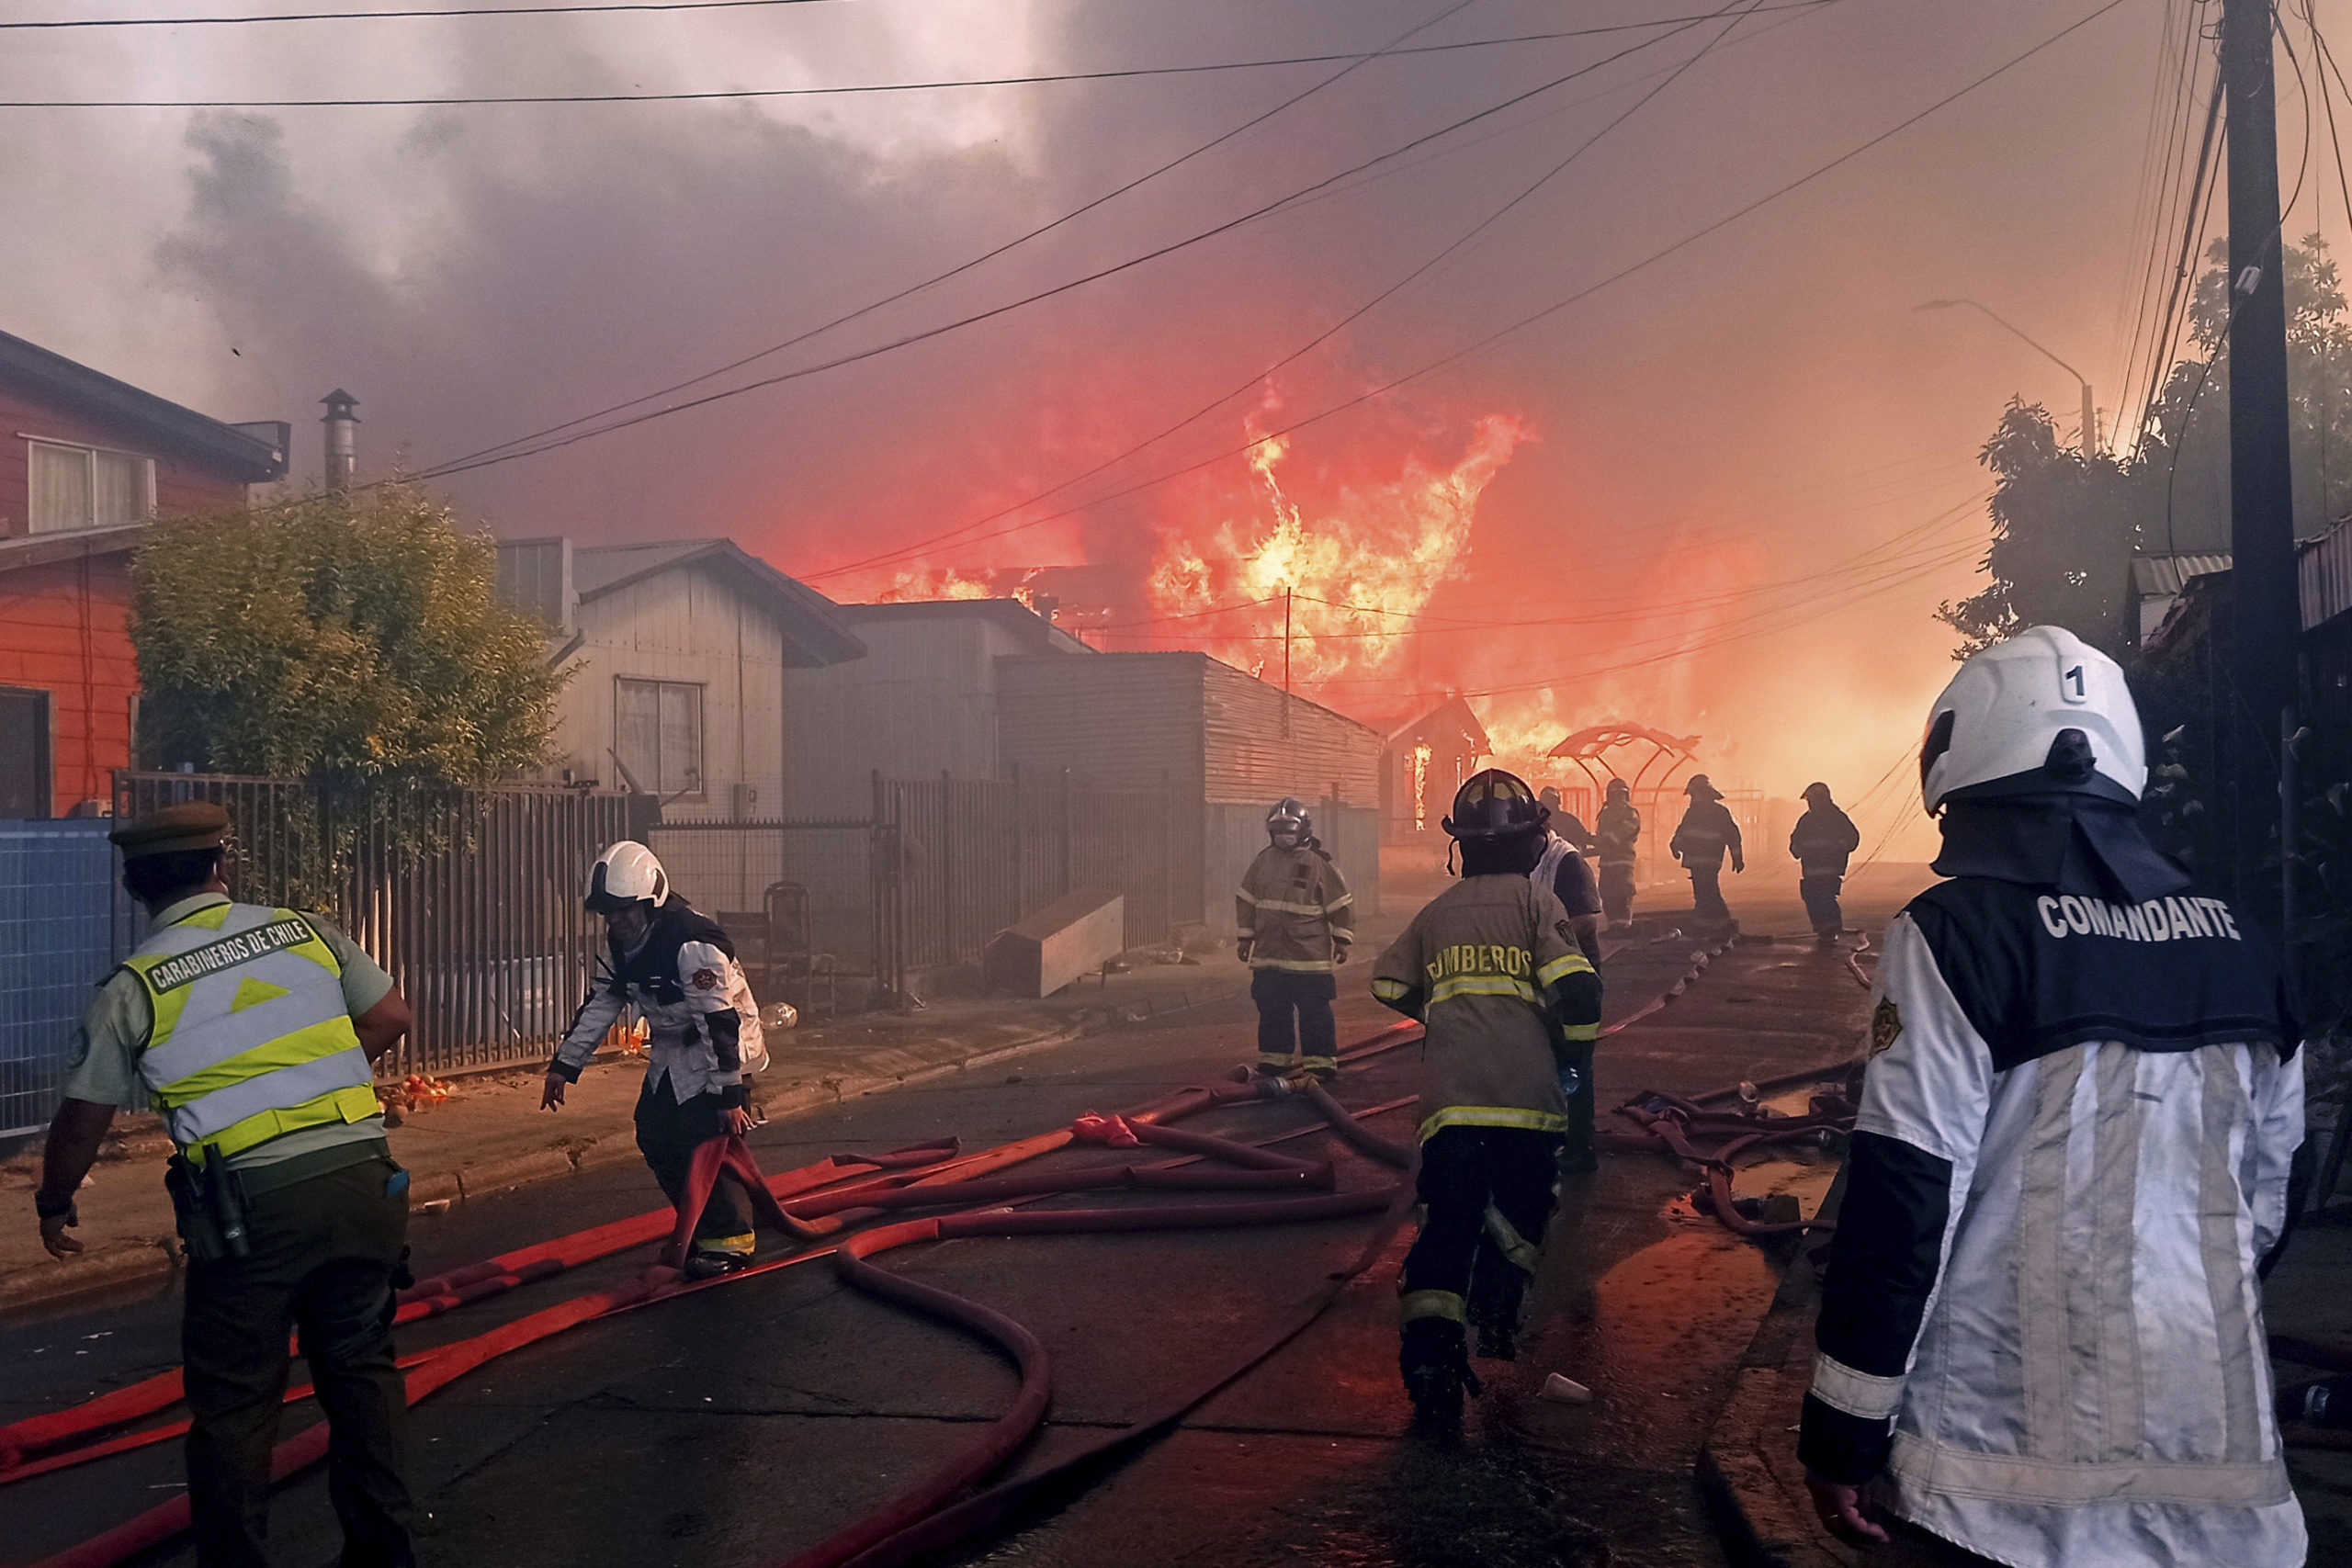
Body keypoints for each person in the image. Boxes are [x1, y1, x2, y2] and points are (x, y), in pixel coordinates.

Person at [1798, 626, 2306, 1567]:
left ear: (1961, 766)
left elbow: (1906, 1194)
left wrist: (1843, 1428)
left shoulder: (1953, 935)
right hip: (2223, 1488)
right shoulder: (2248, 948)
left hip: (1991, 1494)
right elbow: (2266, 1203)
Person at [33, 803, 417, 1568]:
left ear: (134, 886)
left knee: (237, 1406)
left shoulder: (133, 987)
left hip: (252, 1212)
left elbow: (83, 1118)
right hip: (362, 1182)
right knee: (361, 1373)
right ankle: (384, 1555)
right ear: (223, 867)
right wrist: (319, 1085)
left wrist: (53, 1199)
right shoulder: (306, 931)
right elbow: (390, 1015)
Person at [1370, 770, 1603, 1428]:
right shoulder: (1537, 907)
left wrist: (1443, 1009)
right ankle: (1499, 1309)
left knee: (1446, 1223)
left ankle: (1430, 1358)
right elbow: (1580, 993)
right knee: (1525, 1210)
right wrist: (1571, 1053)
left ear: (1462, 847)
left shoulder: (1437, 912)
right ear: (1532, 842)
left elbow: (1387, 983)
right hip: (1525, 1103)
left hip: (1449, 1105)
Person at [542, 841, 767, 1278]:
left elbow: (718, 1020)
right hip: (672, 1047)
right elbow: (603, 1002)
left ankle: (731, 1239)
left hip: (720, 1048)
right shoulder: (622, 944)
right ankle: (701, 1227)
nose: (616, 919)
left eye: (624, 909)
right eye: (608, 911)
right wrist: (564, 1066)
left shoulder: (692, 943)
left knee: (701, 1139)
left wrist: (729, 1092)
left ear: (650, 900)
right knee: (655, 1133)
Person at [1236, 797, 1355, 1081]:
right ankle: (1276, 1058)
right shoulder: (1262, 861)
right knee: (1272, 1008)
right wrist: (1244, 939)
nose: (1283, 836)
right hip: (1268, 956)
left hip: (1309, 958)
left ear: (1303, 830)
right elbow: (1246, 901)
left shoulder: (1318, 863)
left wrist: (1343, 940)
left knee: (1314, 1010)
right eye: (1277, 830)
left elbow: (1341, 904)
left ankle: (1320, 1062)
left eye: (1289, 829)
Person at [1531, 802, 1606, 1172]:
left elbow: (1585, 924)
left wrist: (1538, 948)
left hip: (1574, 987)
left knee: (1572, 1068)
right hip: (1540, 983)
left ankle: (1578, 1151)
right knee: (1538, 1067)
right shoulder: (1525, 861)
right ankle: (1548, 1143)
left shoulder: (1567, 863)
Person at [1788, 782, 1861, 943]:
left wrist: (1842, 848)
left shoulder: (1837, 818)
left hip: (1830, 869)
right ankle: (1823, 930)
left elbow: (1853, 838)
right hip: (1811, 870)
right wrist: (1796, 848)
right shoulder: (1807, 820)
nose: (1810, 804)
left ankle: (1830, 931)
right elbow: (1796, 839)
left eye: (1811, 800)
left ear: (1821, 799)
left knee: (1825, 898)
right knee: (1812, 898)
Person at [1669, 773, 1743, 927]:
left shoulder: (1717, 812)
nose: (1692, 799)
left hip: (1707, 861)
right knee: (1703, 894)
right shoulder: (1695, 812)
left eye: (1694, 795)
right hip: (1700, 861)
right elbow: (1683, 832)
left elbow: (1732, 835)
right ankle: (1708, 925)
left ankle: (1721, 925)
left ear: (1701, 793)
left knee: (1708, 893)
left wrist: (1737, 858)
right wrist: (1675, 846)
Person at [1594, 777, 1642, 932]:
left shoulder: (1630, 814)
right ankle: (1614, 927)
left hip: (1623, 863)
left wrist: (1599, 842)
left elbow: (1618, 836)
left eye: (1621, 795)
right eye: (1616, 795)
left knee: (1623, 895)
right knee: (1608, 895)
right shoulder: (1605, 814)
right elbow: (1601, 836)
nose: (1618, 798)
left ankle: (1624, 928)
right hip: (1608, 863)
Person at [1537, 785, 1597, 853]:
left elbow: (1583, 837)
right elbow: (1584, 837)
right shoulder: (1568, 820)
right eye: (1550, 801)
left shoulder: (1568, 820)